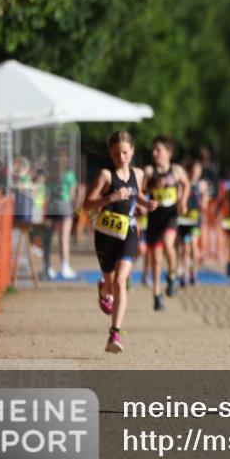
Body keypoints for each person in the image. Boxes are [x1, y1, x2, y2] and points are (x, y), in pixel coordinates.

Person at [83, 131, 157, 353]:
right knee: (110, 283)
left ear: (132, 151)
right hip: (105, 234)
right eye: (116, 154)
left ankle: (115, 333)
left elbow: (137, 195)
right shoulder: (106, 176)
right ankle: (103, 290)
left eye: (125, 152)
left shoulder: (139, 174)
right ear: (110, 154)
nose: (121, 157)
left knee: (120, 281)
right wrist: (110, 198)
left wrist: (146, 203)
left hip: (129, 231)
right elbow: (86, 205)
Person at [143, 136, 190, 311]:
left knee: (168, 244)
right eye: (153, 150)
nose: (154, 153)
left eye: (158, 150)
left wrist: (183, 201)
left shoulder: (176, 171)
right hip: (154, 217)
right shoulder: (149, 171)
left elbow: (186, 184)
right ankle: (157, 293)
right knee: (155, 257)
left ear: (169, 153)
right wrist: (153, 188)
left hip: (170, 215)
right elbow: (141, 190)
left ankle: (172, 275)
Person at [46, 153, 79, 279]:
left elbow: (47, 192)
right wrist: (75, 207)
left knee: (51, 237)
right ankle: (65, 266)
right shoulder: (69, 175)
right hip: (64, 205)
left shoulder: (51, 175)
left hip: (52, 205)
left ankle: (47, 266)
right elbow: (72, 194)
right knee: (64, 237)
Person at [177, 159, 209, 286]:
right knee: (185, 248)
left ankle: (194, 274)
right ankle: (184, 274)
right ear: (188, 171)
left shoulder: (202, 185)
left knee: (194, 246)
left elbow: (205, 204)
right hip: (184, 221)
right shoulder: (183, 184)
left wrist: (203, 201)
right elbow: (178, 201)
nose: (195, 173)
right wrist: (181, 205)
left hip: (195, 220)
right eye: (193, 170)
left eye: (198, 170)